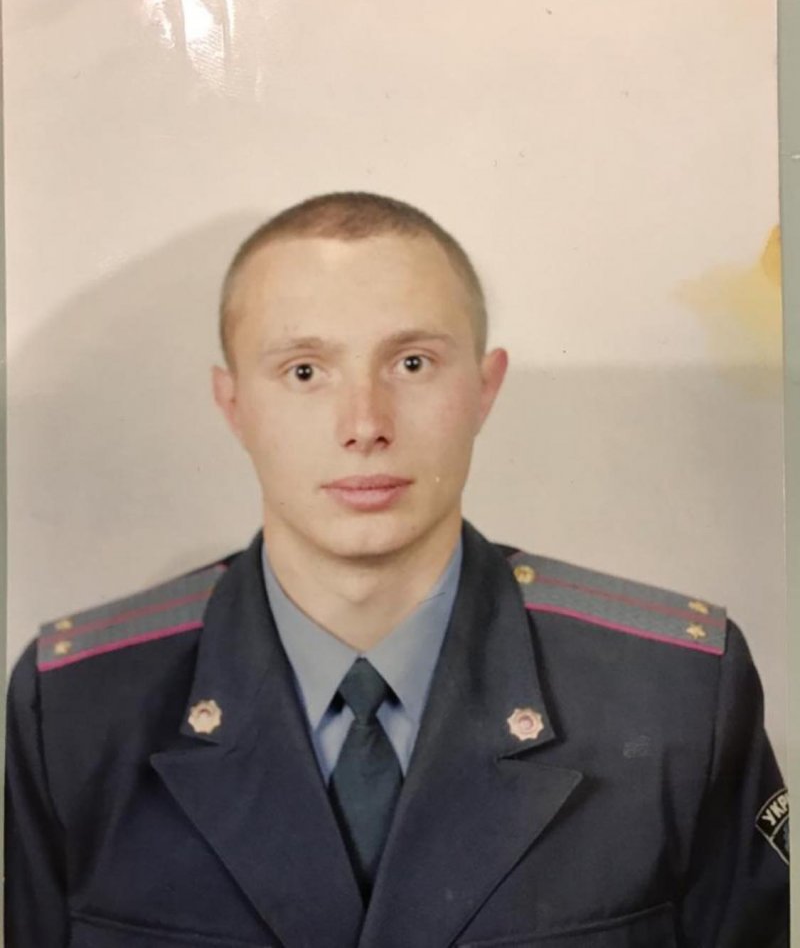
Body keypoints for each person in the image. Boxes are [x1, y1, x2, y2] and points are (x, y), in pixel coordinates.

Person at [5, 192, 788, 948]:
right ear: (233, 403)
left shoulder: (674, 698)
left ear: (484, 388)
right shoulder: (75, 712)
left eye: (412, 362)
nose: (365, 425)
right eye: (305, 371)